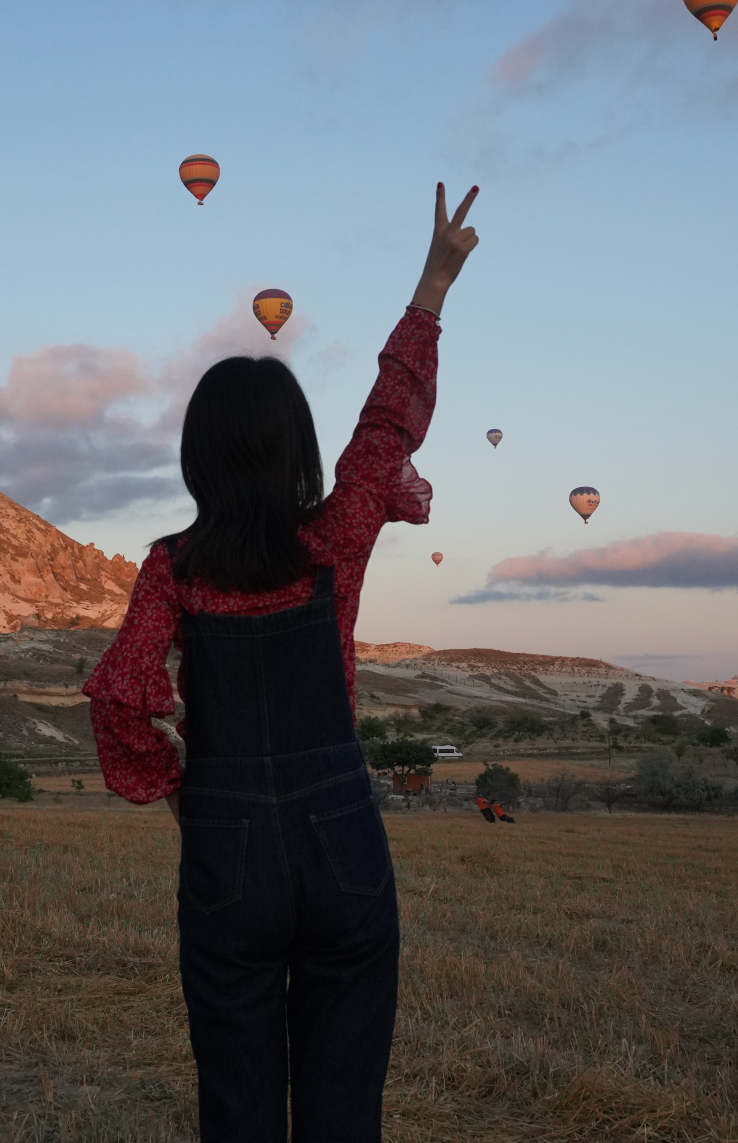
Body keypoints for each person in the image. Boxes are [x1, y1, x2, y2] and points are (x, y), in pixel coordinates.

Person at [86, 183, 479, 1141]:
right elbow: (387, 425)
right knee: (345, 1113)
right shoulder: (335, 538)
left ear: (198, 459)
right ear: (295, 448)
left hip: (229, 857)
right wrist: (432, 284)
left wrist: (181, 791)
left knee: (239, 1108)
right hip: (343, 847)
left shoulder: (171, 570)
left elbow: (119, 694)